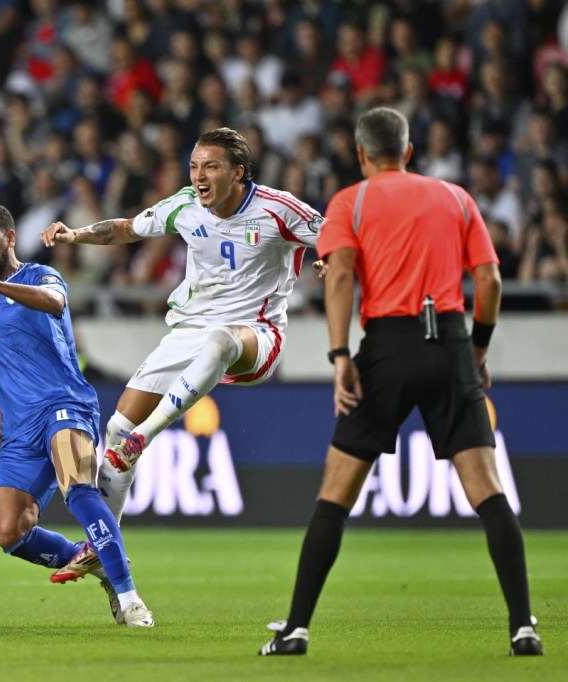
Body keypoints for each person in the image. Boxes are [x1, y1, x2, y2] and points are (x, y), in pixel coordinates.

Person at [259, 108, 543, 657]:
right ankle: (522, 627)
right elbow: (489, 278)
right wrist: (476, 348)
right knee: (488, 491)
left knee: (335, 494)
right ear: (409, 151)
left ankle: (295, 630)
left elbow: (339, 274)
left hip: (386, 347)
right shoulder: (457, 197)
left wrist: (341, 354)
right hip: (450, 341)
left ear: (363, 155)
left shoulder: (351, 202)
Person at [40, 126, 322, 571]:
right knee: (115, 427)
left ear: (239, 172)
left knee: (220, 342)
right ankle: (102, 549)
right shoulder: (186, 207)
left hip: (256, 333)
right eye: (194, 166)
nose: (199, 176)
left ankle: (143, 438)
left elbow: (337, 238)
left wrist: (329, 256)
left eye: (211, 166)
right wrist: (75, 236)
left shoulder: (277, 209)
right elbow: (129, 228)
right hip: (189, 329)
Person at [0, 202, 153, 628]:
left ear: (8, 237)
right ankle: (94, 559)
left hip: (64, 404)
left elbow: (53, 301)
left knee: (77, 488)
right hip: (19, 426)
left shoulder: (39, 276)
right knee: (9, 531)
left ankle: (130, 598)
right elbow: (4, 386)